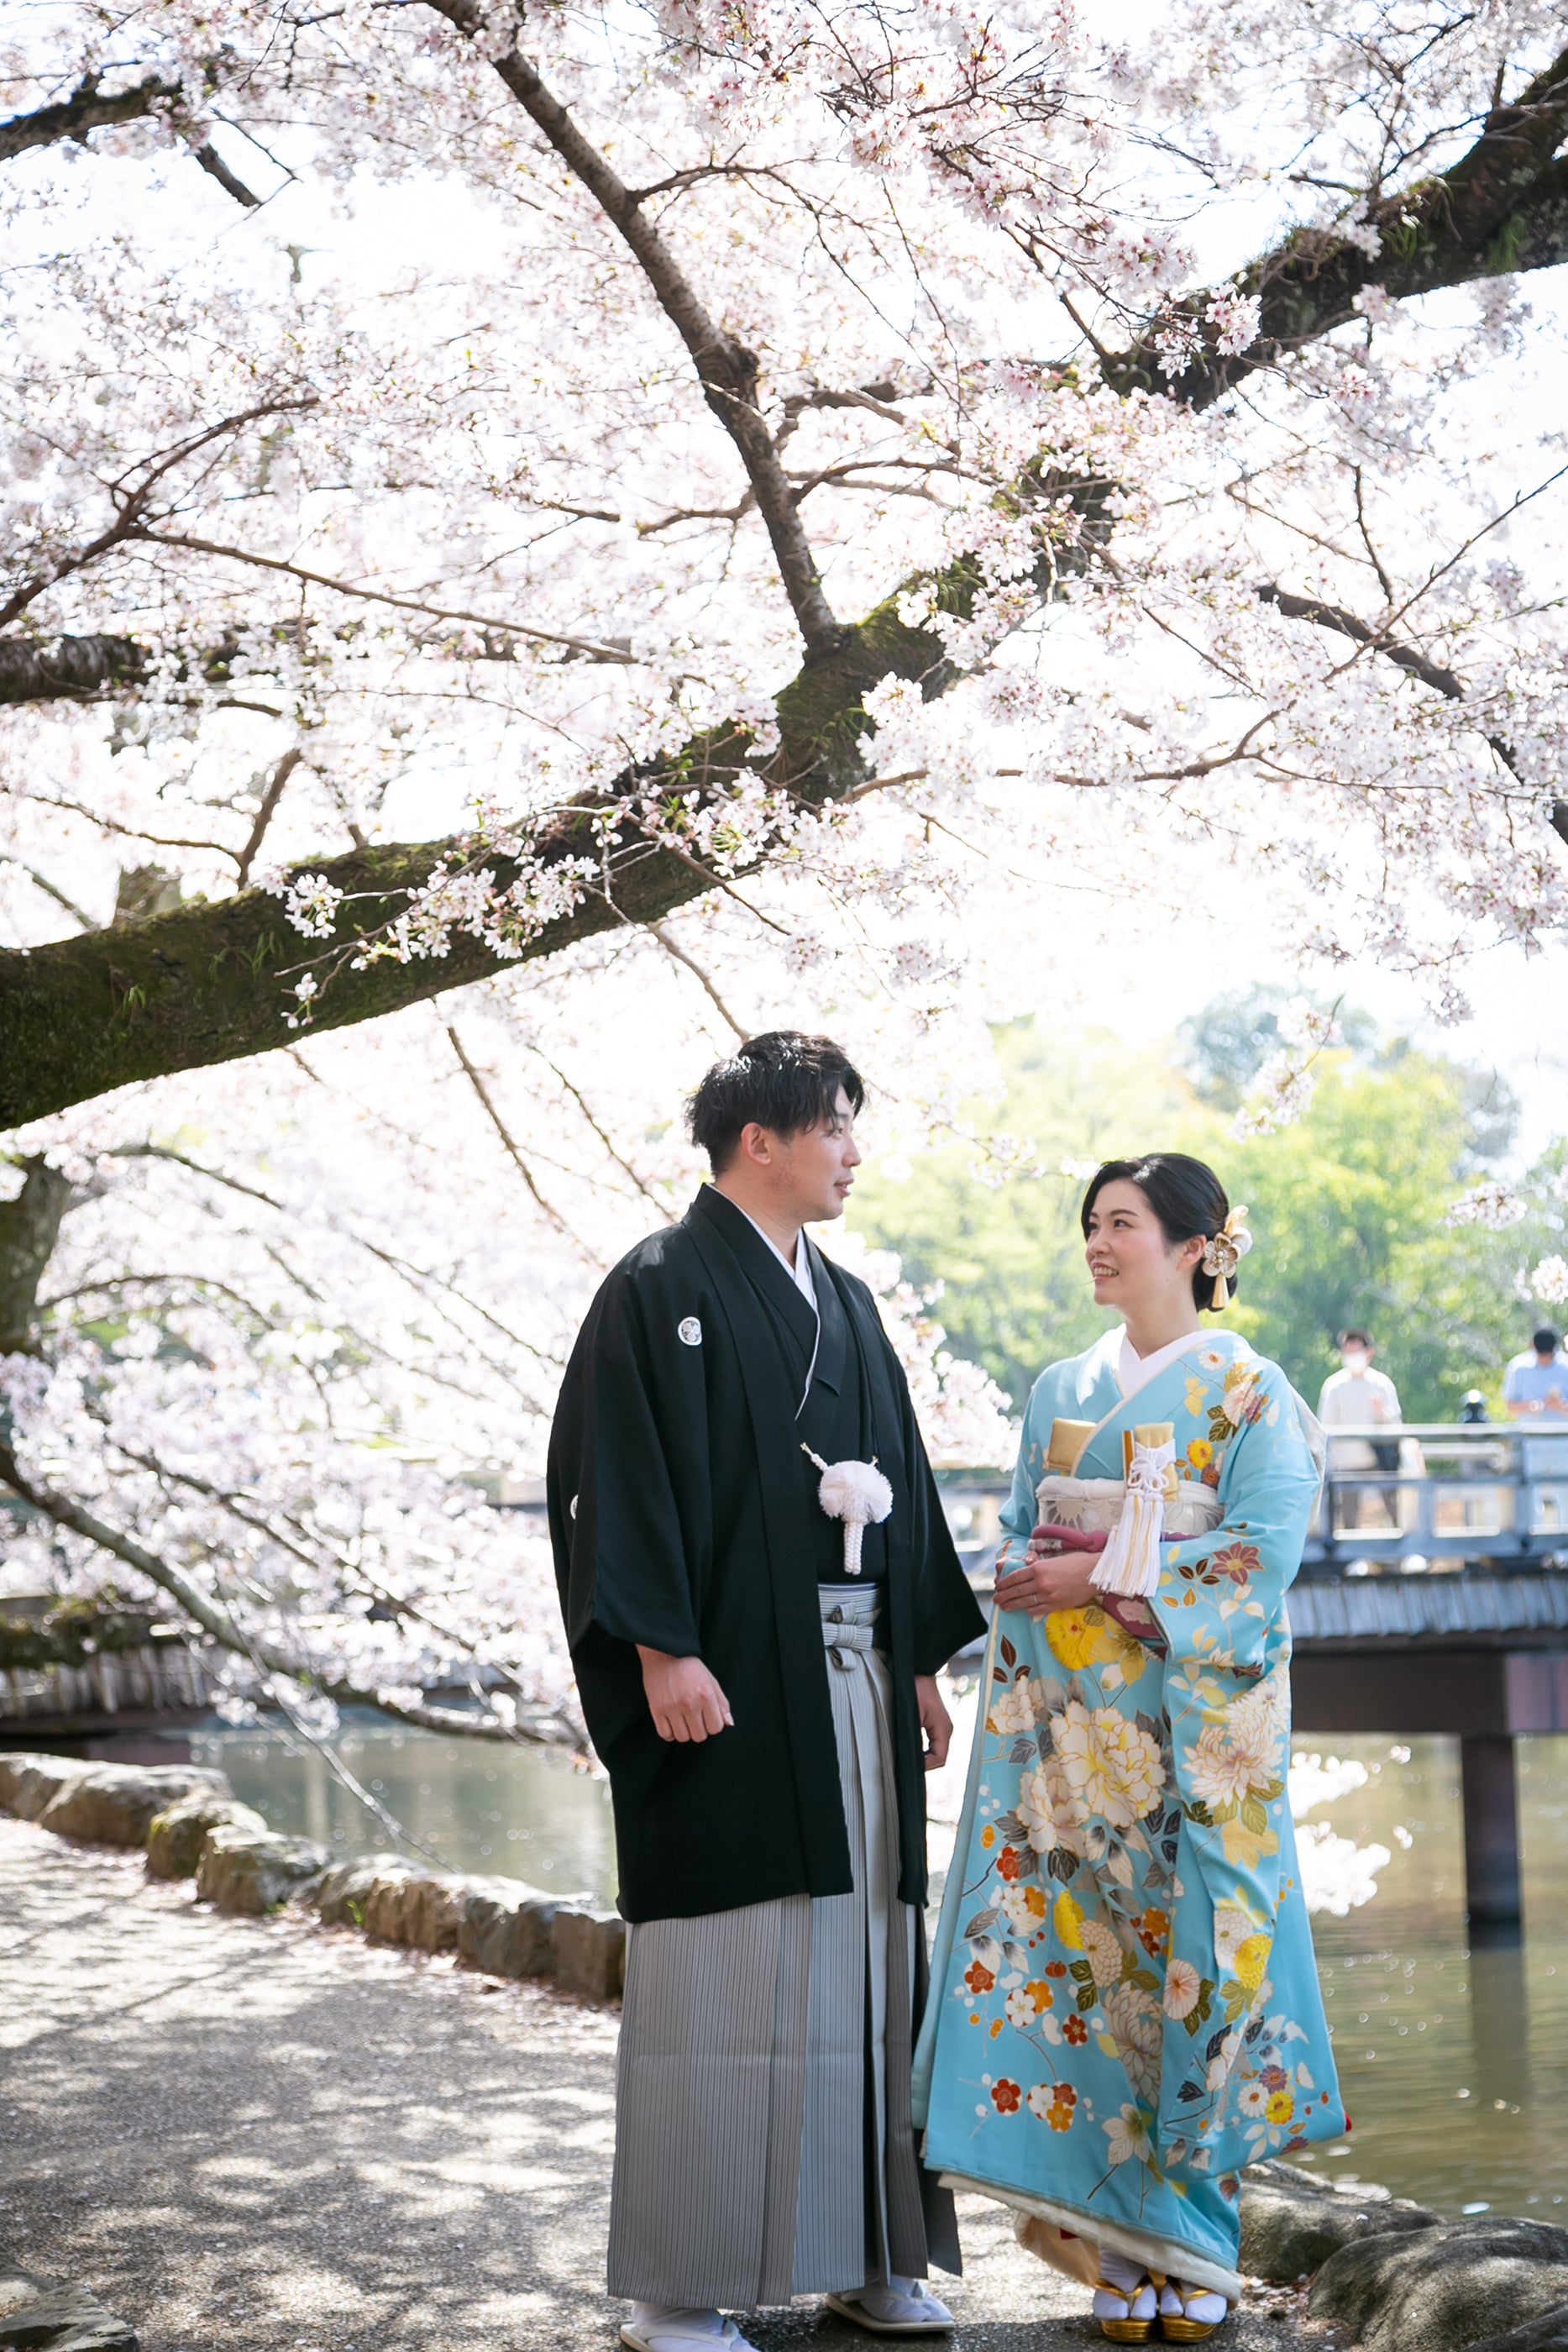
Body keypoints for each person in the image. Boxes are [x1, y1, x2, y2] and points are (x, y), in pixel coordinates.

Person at [548, 1032, 985, 2352]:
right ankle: (674, 2288)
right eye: (836, 1129)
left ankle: (867, 2253)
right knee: (722, 1965)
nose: (853, 1154)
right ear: (762, 1140)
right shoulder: (657, 1287)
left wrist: (911, 1654)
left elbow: (897, 1473)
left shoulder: (844, 1303)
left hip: (851, 1679)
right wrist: (656, 1646)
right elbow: (608, 1480)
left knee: (863, 1959)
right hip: (724, 1678)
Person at [914, 1154, 1343, 2344]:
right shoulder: (1062, 1385)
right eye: (1089, 1224)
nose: (1097, 1244)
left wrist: (1093, 1571)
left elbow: (1257, 1563)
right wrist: (1025, 1568)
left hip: (1188, 1738)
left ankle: (1194, 2243)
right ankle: (1117, 2242)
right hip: (1070, 1744)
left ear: (1198, 1245)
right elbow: (1013, 1535)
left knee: (1197, 1966)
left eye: (1122, 1225)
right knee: (1089, 1970)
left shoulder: (1254, 1396)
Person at [1317, 1331, 1403, 1529]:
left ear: (1368, 1352)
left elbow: (1395, 1423)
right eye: (1348, 1351)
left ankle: (1399, 1552)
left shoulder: (1381, 1384)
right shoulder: (1334, 1386)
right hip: (1346, 1462)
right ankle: (1353, 1558)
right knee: (1349, 1515)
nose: (1352, 1356)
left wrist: (1382, 1411)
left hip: (1378, 1459)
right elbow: (1325, 1425)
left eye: (1356, 1351)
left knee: (1393, 1505)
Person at [1502, 1327, 1568, 1424]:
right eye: (1541, 1354)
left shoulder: (1566, 1366)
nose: (1544, 1359)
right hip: (1529, 1436)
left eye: (1548, 1355)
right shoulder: (1519, 1367)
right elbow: (1510, 1407)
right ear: (1533, 1346)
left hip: (1562, 1436)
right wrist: (1529, 1406)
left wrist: (1562, 1406)